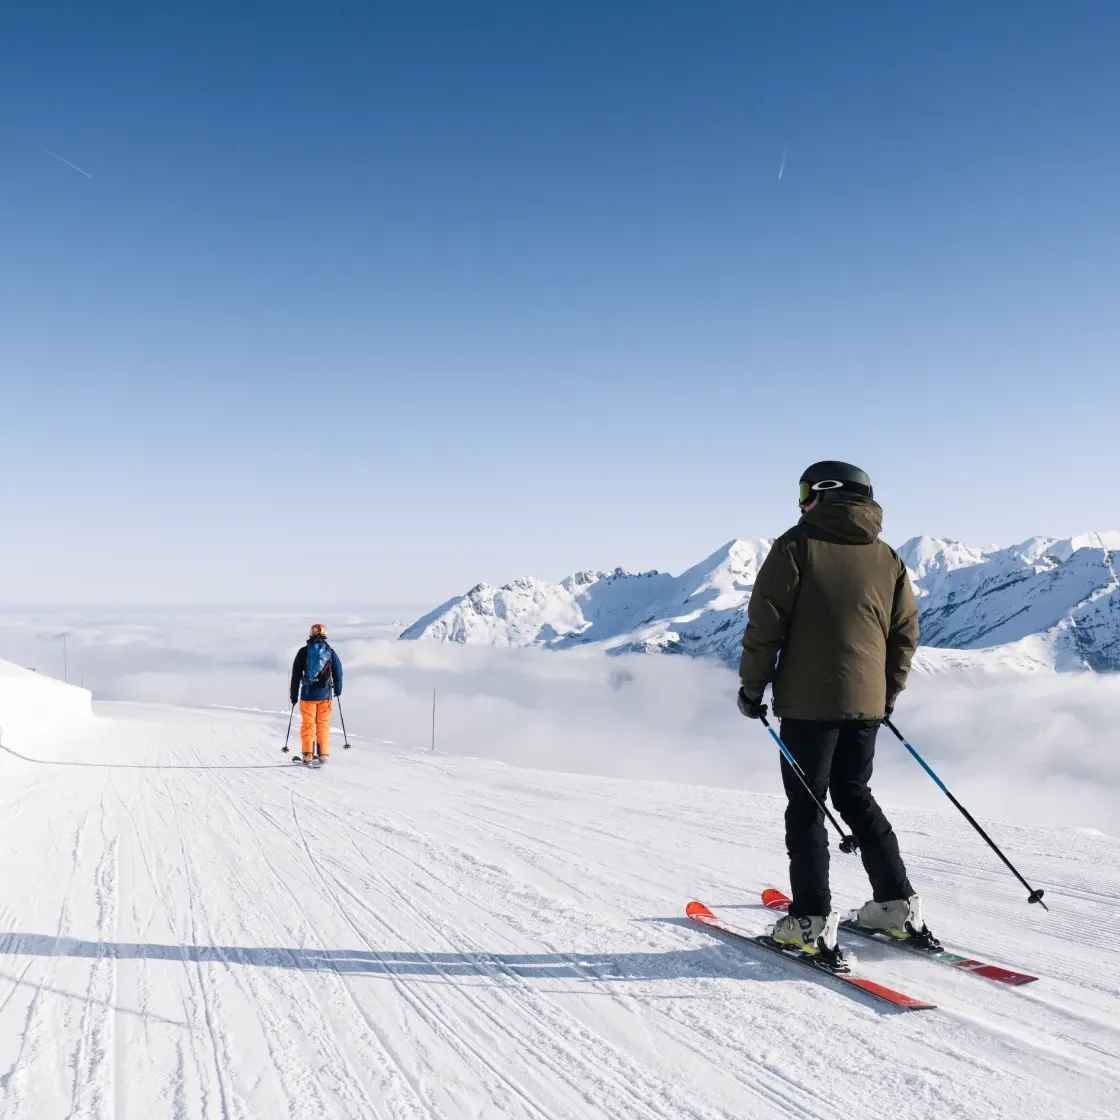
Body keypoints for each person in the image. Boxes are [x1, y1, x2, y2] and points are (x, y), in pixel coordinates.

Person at [737, 461, 930, 956]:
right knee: (854, 794)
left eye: (806, 490)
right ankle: (896, 905)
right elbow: (905, 634)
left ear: (825, 494)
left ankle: (811, 921)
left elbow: (766, 623)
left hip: (808, 706)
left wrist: (752, 687)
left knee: (807, 804)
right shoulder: (887, 557)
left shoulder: (795, 546)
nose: (802, 501)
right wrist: (886, 693)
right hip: (867, 706)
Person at [289, 623, 343, 765]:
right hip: (326, 695)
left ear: (311, 634)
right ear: (325, 635)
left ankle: (308, 754)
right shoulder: (330, 652)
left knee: (308, 725)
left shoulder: (303, 652)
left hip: (308, 695)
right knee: (323, 724)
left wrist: (293, 696)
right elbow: (338, 672)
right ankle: (323, 754)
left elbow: (296, 675)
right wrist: (338, 690)